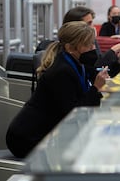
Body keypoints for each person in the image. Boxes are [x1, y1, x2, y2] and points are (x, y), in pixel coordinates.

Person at [6, 21, 110, 158]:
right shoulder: (62, 71)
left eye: (93, 44)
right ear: (70, 48)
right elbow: (73, 113)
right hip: (29, 139)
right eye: (87, 45)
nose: (92, 48)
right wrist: (96, 88)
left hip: (48, 134)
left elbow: (92, 76)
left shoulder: (75, 63)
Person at [62, 6, 120, 78]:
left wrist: (119, 62)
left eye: (91, 23)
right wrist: (113, 50)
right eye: (88, 24)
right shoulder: (68, 59)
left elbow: (103, 70)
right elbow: (94, 71)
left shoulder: (93, 41)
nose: (92, 27)